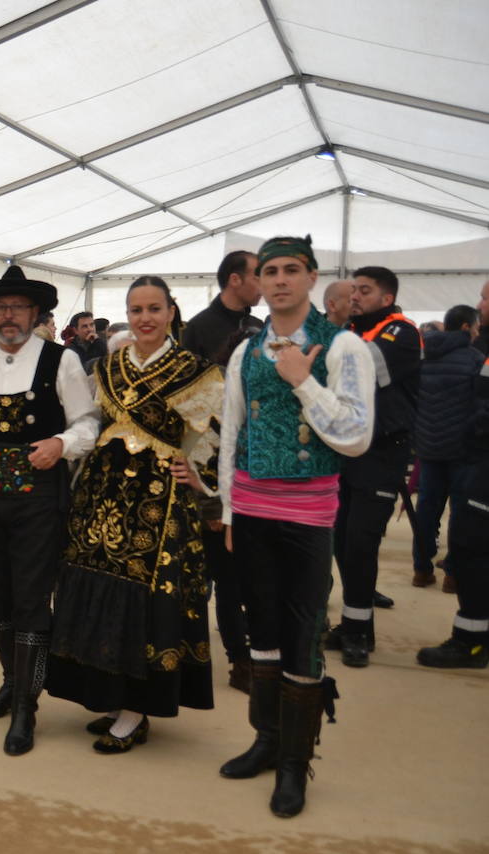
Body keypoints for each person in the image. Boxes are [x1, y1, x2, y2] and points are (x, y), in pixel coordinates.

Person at [218, 235, 374, 818]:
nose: (278, 280)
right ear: (257, 282)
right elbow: (233, 434)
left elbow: (356, 438)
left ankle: (294, 762)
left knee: (304, 628)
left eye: (291, 270)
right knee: (260, 626)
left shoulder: (344, 347)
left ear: (311, 278)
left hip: (308, 511)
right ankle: (266, 739)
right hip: (253, 508)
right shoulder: (245, 350)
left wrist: (301, 382)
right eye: (268, 271)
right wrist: (230, 510)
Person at [48, 277, 223, 753]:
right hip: (102, 492)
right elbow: (89, 422)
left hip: (157, 498)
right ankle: (108, 695)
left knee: (142, 593)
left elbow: (213, 432)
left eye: (154, 308)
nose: (145, 317)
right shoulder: (106, 367)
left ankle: (134, 710)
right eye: (136, 308)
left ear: (171, 312)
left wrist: (198, 469)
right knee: (95, 581)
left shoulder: (196, 371)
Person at [0, 266, 98, 754]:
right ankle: (11, 684)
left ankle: (26, 708)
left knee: (33, 596)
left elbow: (88, 426)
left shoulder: (63, 360)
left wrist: (60, 442)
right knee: (1, 593)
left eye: (17, 308)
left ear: (36, 314)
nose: (8, 316)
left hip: (39, 498)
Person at [325, 267, 420, 667]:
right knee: (343, 542)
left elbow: (354, 371)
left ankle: (358, 634)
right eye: (352, 290)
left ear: (386, 297)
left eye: (364, 291)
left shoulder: (400, 331)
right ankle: (353, 623)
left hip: (382, 453)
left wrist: (328, 337)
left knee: (361, 542)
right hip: (347, 452)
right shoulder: (353, 332)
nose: (356, 297)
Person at [180, 250, 264, 693]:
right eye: (259, 275)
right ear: (235, 279)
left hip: (248, 461)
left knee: (236, 572)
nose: (265, 284)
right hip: (205, 461)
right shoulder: (199, 328)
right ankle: (218, 658)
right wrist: (208, 494)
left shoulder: (259, 327)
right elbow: (188, 411)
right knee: (205, 573)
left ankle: (241, 656)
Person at [417, 332, 489, 669]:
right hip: (469, 454)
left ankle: (471, 642)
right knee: (466, 539)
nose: (482, 304)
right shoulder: (478, 355)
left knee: (467, 542)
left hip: (469, 456)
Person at [411, 305, 480, 591]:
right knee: (460, 512)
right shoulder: (475, 359)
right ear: (465, 327)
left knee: (427, 508)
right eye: (475, 327)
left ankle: (421, 570)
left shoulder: (423, 356)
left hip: (428, 446)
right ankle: (453, 573)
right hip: (462, 448)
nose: (477, 332)